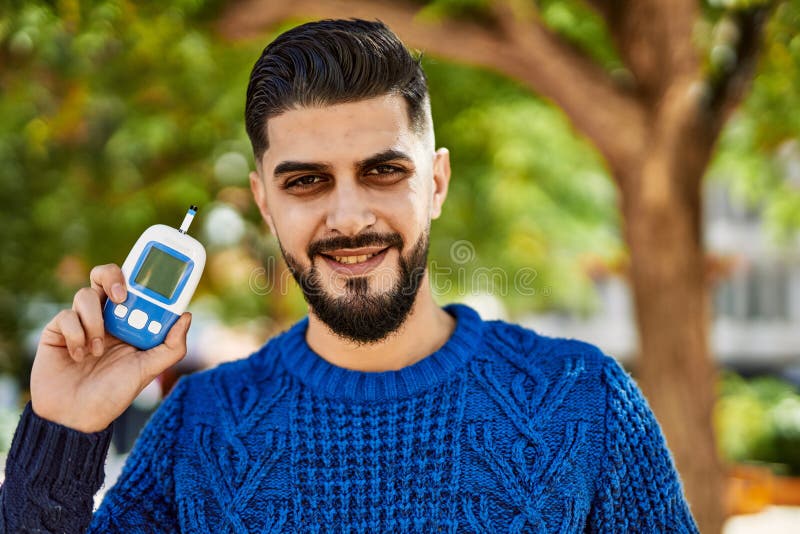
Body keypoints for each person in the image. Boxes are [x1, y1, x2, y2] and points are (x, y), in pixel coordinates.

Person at [0, 18, 700, 533]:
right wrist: (63, 431)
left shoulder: (586, 403)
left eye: (382, 170)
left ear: (436, 182)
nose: (349, 215)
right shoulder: (199, 427)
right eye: (306, 181)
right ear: (265, 202)